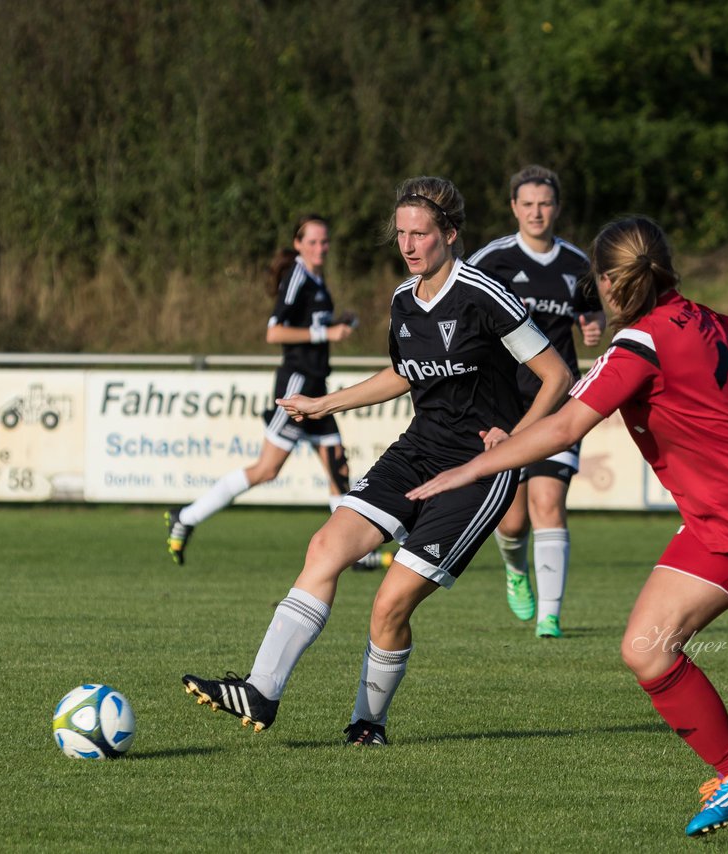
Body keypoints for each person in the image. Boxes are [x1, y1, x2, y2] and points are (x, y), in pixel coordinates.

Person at [408, 215, 728, 842]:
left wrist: (472, 467)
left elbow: (566, 427)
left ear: (607, 282)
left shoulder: (638, 347)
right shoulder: (705, 318)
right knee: (646, 649)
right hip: (718, 527)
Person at [180, 176, 573, 746]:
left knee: (389, 604)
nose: (410, 245)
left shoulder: (483, 296)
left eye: (422, 234)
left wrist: (513, 438)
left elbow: (557, 375)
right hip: (415, 451)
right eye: (402, 234)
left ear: (450, 235)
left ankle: (369, 723)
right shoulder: (402, 300)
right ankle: (260, 691)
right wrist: (324, 401)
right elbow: (401, 375)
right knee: (324, 548)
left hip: (478, 473)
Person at [164, 214, 389, 571]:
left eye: (325, 242)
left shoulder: (316, 277)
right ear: (298, 244)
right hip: (297, 387)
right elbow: (275, 332)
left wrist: (335, 325)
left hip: (316, 388)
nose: (320, 248)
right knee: (267, 469)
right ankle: (187, 516)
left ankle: (355, 554)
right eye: (312, 242)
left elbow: (309, 325)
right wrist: (325, 336)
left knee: (338, 469)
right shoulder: (297, 275)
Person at [468, 165, 605, 638]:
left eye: (544, 203)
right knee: (512, 519)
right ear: (513, 208)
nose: (536, 212)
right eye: (527, 204)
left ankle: (550, 616)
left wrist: (594, 327)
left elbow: (592, 317)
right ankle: (515, 569)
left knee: (549, 500)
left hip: (560, 403)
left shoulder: (575, 263)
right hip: (505, 407)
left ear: (556, 208)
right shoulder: (492, 260)